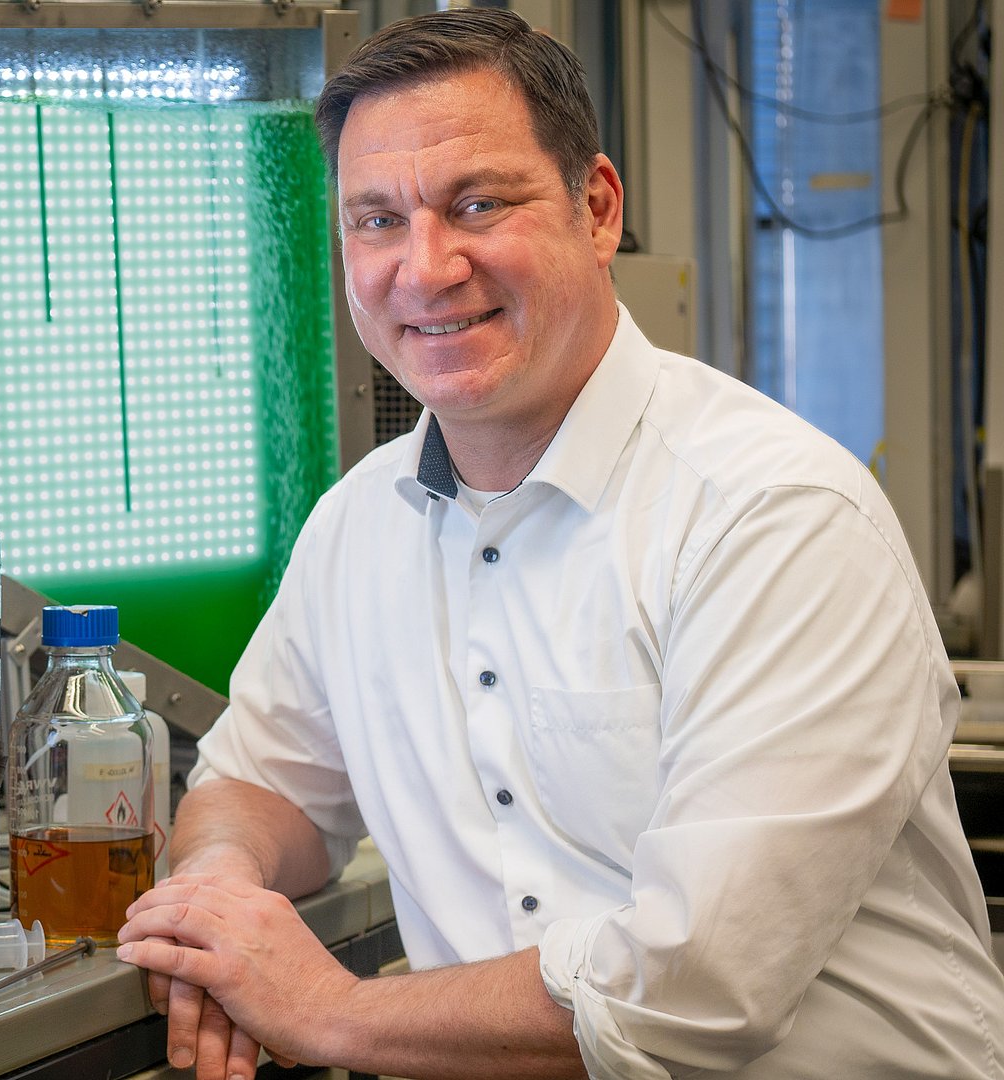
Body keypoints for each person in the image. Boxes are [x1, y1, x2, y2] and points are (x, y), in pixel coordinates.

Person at [115, 9, 1004, 1080]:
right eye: (377, 220)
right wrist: (217, 895)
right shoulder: (359, 526)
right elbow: (264, 781)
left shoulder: (772, 518)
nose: (426, 266)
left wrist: (327, 1010)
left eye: (477, 203)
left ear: (596, 208)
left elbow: (696, 988)